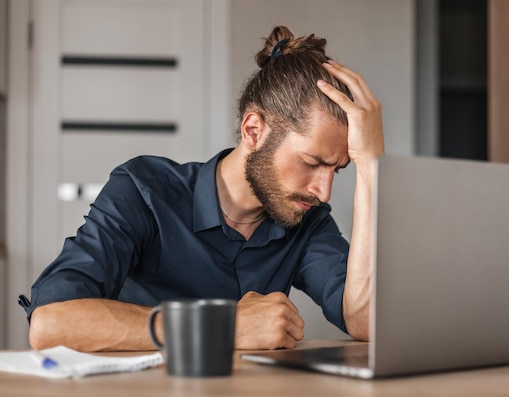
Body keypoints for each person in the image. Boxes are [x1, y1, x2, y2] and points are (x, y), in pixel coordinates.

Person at [22, 25, 384, 352]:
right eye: (312, 163)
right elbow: (50, 324)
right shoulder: (143, 191)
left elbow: (366, 321)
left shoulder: (309, 219)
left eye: (339, 169)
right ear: (254, 131)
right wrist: (218, 327)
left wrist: (371, 167)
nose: (324, 192)